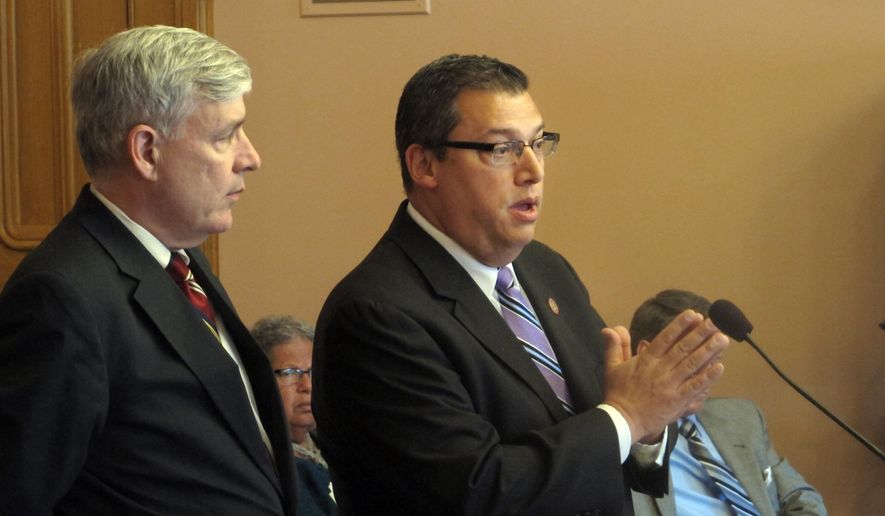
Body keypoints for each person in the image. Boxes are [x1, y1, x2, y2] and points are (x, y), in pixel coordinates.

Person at [312, 53, 731, 515]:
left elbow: (604, 445)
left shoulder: (545, 269)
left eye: (537, 143)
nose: (533, 170)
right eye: (502, 149)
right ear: (425, 165)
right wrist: (630, 416)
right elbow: (478, 492)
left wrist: (650, 426)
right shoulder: (377, 315)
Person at [0, 26, 297, 515]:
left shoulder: (179, 257)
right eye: (225, 136)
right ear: (146, 151)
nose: (251, 158)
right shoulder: (61, 298)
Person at [629, 289, 827, 516]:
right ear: (645, 356)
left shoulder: (743, 417)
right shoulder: (616, 446)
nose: (709, 374)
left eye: (714, 360)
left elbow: (800, 495)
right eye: (694, 361)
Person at [253, 315, 338, 516]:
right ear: (260, 380)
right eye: (290, 372)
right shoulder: (263, 464)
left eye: (313, 371)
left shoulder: (337, 446)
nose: (307, 386)